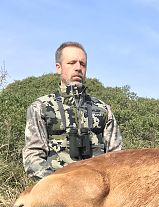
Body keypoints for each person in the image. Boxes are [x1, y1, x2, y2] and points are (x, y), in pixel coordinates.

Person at [22, 42, 122, 181]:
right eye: (72, 63)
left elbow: (116, 157)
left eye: (83, 64)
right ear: (58, 67)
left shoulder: (103, 109)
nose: (78, 68)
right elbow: (33, 156)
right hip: (55, 190)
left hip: (98, 190)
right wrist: (56, 186)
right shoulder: (40, 107)